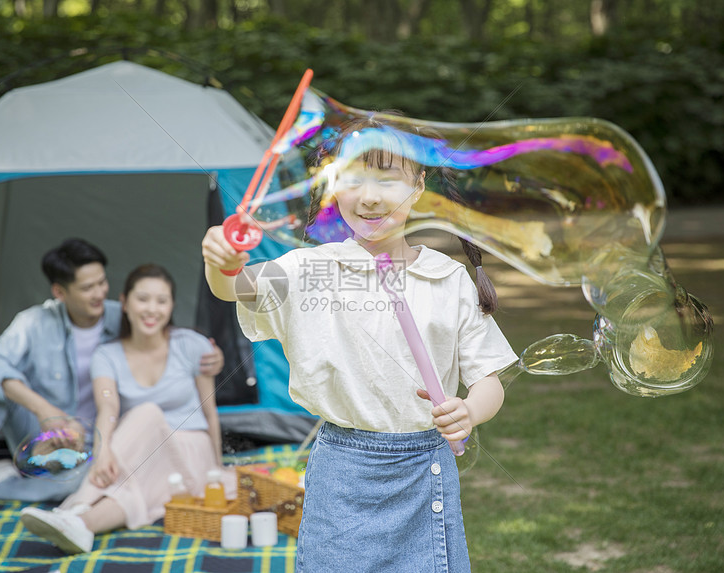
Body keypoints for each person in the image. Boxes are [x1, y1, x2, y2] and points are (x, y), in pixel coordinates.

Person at [201, 116, 518, 572]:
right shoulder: (307, 269)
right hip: (342, 470)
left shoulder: (447, 279)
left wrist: (470, 409)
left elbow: (490, 378)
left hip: (424, 467)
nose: (369, 196)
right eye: (352, 179)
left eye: (387, 179)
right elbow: (235, 287)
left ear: (418, 186)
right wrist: (222, 263)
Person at [0, 240, 224, 528]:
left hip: (90, 439)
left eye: (102, 282)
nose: (99, 293)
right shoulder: (35, 324)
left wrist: (212, 358)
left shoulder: (123, 317)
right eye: (87, 288)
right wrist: (45, 411)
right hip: (42, 431)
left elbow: (164, 336)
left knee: (102, 479)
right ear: (59, 292)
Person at [19, 263, 235, 554]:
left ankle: (76, 506)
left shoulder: (192, 346)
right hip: (144, 451)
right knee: (131, 488)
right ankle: (82, 524)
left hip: (190, 452)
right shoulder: (107, 356)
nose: (152, 309)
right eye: (143, 299)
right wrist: (103, 451)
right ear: (124, 303)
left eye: (162, 301)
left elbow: (210, 412)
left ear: (172, 305)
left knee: (147, 413)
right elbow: (107, 404)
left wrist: (217, 465)